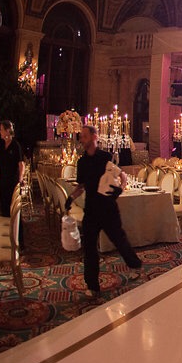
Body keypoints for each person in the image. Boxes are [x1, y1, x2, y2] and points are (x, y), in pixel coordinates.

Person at [66, 125, 142, 298]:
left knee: (119, 240)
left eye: (84, 136)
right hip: (91, 209)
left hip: (108, 208)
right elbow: (81, 186)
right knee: (89, 248)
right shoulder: (82, 162)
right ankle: (92, 285)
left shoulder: (105, 157)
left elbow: (122, 176)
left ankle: (135, 264)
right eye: (81, 136)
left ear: (94, 137)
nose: (81, 139)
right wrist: (71, 198)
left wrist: (120, 189)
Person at [0, 120, 24, 218]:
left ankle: (15, 226)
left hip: (12, 180)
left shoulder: (15, 145)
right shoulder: (1, 145)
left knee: (13, 207)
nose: (0, 132)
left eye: (1, 129)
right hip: (3, 180)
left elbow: (21, 164)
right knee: (4, 206)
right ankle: (6, 224)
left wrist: (20, 179)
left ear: (7, 131)